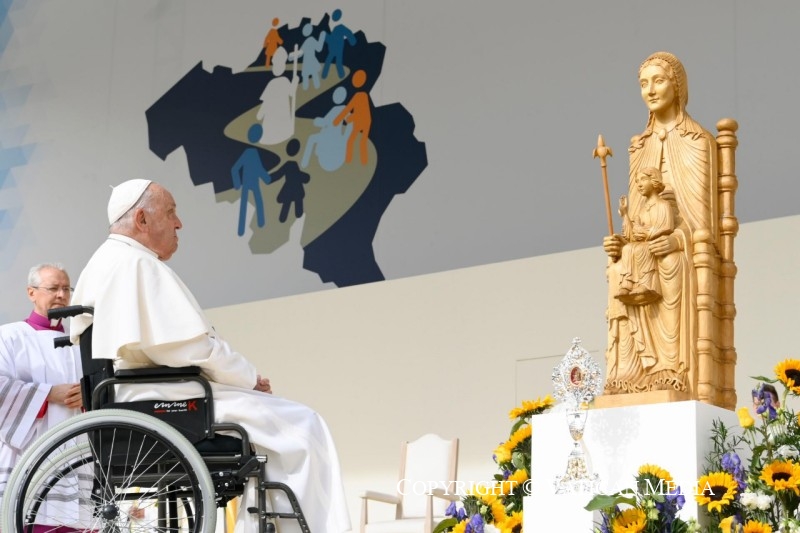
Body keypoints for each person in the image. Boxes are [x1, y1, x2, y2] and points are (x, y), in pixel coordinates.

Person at [70, 179, 351, 533]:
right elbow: (191, 347)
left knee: (281, 430)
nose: (179, 223)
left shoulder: (107, 261)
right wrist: (249, 379)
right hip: (164, 398)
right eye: (171, 212)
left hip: (141, 395)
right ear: (141, 219)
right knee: (304, 424)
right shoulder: (135, 264)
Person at [602, 51, 717, 396]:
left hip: (681, 250)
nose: (650, 90)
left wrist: (677, 240)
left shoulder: (698, 142)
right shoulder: (639, 147)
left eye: (659, 80)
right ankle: (628, 371)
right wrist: (620, 243)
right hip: (643, 247)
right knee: (618, 268)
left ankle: (669, 368)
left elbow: (704, 226)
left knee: (670, 265)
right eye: (643, 83)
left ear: (677, 85)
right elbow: (635, 219)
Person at [0, 263, 83, 527]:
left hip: (76, 452)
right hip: (26, 450)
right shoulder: (9, 336)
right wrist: (47, 394)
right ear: (31, 292)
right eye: (53, 288)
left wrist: (89, 394)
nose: (61, 294)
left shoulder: (82, 342)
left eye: (66, 288)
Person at [615, 166, 675, 305]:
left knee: (642, 249)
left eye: (643, 179)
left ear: (654, 180)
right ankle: (627, 284)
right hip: (641, 242)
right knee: (628, 249)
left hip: (653, 243)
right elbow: (631, 236)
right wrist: (625, 214)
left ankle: (647, 285)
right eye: (637, 181)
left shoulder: (663, 205)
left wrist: (647, 233)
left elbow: (667, 226)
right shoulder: (642, 210)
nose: (639, 184)